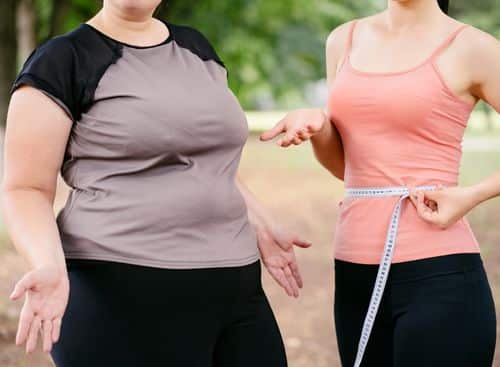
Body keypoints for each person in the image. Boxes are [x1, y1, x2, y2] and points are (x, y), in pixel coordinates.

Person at [1, 1, 312, 366]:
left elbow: (208, 160)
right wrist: (47, 263)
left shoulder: (197, 49)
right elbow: (26, 188)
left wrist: (262, 221)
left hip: (234, 286)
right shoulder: (62, 60)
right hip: (119, 293)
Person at [261, 0, 500, 366]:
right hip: (355, 273)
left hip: (439, 276)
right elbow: (348, 168)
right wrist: (319, 127)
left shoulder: (473, 47)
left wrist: (471, 196)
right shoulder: (344, 39)